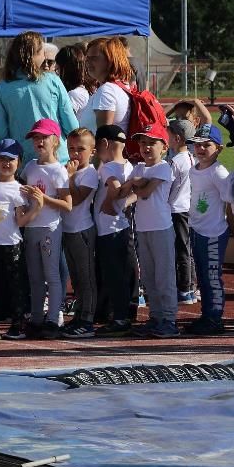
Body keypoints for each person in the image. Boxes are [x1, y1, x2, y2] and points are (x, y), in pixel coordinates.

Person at [115, 124, 178, 337]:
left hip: (161, 227)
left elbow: (145, 192)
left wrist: (133, 183)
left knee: (164, 276)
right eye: (143, 143)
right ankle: (156, 316)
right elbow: (127, 191)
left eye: (152, 143)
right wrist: (134, 184)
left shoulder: (163, 168)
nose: (146, 147)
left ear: (164, 147)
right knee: (149, 277)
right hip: (142, 228)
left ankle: (169, 319)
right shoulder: (139, 168)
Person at [0, 31, 79, 168]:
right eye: (42, 52)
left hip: (24, 164)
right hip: (58, 160)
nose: (44, 56)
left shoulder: (2, 88)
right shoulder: (53, 80)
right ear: (33, 55)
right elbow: (72, 126)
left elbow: (0, 134)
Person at [20, 119, 73, 338]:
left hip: (50, 228)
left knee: (51, 274)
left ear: (55, 141)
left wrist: (44, 198)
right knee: (34, 275)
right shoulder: (30, 167)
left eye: (44, 137)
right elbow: (22, 191)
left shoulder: (58, 171)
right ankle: (36, 318)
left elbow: (67, 205)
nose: (39, 141)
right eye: (36, 138)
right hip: (31, 227)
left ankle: (52, 318)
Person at [184, 124, 234, 335]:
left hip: (213, 232)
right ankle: (206, 315)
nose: (201, 149)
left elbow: (230, 198)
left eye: (207, 145)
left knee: (212, 277)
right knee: (202, 277)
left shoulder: (218, 172)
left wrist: (232, 220)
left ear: (219, 149)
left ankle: (214, 318)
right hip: (197, 229)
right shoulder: (193, 169)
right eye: (197, 145)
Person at [0, 139, 31, 339]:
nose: (6, 163)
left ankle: (18, 322)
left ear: (19, 162)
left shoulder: (19, 189)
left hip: (12, 244)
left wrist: (35, 208)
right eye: (2, 159)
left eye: (11, 159)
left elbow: (20, 220)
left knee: (15, 285)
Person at [91, 125, 136, 336]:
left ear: (104, 143)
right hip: (122, 226)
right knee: (125, 272)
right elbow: (134, 191)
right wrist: (124, 202)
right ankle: (124, 314)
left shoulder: (108, 168)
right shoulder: (129, 166)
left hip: (109, 229)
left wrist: (109, 202)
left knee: (114, 275)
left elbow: (116, 188)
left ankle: (119, 318)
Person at [60, 128, 100, 338]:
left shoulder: (90, 173)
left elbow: (75, 200)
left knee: (86, 277)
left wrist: (69, 178)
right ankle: (78, 315)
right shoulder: (69, 171)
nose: (75, 154)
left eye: (80, 149)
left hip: (82, 230)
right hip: (67, 229)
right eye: (71, 149)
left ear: (92, 151)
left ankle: (87, 319)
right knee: (75, 277)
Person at [166, 119, 197, 304]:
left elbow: (167, 187)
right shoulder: (192, 157)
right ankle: (190, 288)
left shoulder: (175, 161)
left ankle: (184, 288)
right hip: (187, 208)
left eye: (169, 135)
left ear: (177, 138)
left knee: (180, 250)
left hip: (176, 210)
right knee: (187, 248)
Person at [86, 37, 134, 132]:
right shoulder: (120, 86)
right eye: (87, 58)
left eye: (94, 58)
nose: (88, 62)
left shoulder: (106, 91)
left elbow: (104, 136)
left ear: (110, 60)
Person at [55, 44, 93, 128]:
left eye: (58, 70)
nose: (57, 74)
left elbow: (67, 123)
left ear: (66, 70)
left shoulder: (74, 94)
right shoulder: (83, 89)